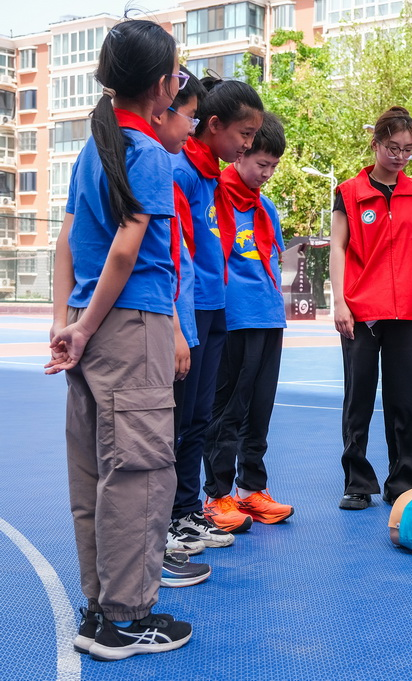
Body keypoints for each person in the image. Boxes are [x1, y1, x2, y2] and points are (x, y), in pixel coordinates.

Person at [45, 19, 194, 660]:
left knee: (96, 475)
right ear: (163, 86)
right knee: (139, 472)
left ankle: (100, 606)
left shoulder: (91, 150)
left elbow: (66, 243)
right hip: (129, 329)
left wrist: (68, 320)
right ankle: (127, 619)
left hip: (91, 328)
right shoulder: (149, 155)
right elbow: (129, 250)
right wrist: (83, 324)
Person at [330, 106, 412, 510]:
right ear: (376, 144)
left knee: (406, 400)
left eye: (408, 150)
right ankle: (357, 482)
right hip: (362, 310)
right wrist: (340, 301)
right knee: (358, 398)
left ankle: (403, 481)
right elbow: (338, 248)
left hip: (408, 310)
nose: (400, 156)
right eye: (393, 147)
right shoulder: (349, 191)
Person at [172, 78, 265, 538]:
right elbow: (175, 251)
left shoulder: (211, 175)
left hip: (215, 305)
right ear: (213, 125)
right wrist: (178, 322)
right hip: (189, 311)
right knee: (180, 417)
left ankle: (189, 511)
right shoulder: (184, 171)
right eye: (244, 135)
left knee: (200, 417)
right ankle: (172, 515)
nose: (249, 143)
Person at [202, 113, 294, 524]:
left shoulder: (266, 208)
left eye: (274, 166)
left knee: (259, 411)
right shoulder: (215, 196)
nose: (267, 173)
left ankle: (252, 489)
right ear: (241, 154)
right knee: (227, 411)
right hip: (233, 320)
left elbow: (271, 260)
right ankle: (217, 494)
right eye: (262, 163)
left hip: (268, 318)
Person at [149, 65, 208, 559]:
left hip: (175, 321)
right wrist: (175, 329)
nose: (191, 128)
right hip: (152, 326)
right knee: (156, 441)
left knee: (180, 428)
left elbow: (178, 258)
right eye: (188, 116)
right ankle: (157, 538)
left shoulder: (166, 166)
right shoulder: (154, 165)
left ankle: (169, 526)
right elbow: (152, 260)